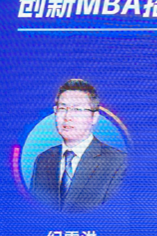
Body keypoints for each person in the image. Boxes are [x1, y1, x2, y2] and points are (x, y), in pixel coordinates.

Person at [31, 79, 127, 211]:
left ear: (94, 117)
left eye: (77, 109)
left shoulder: (118, 162)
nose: (67, 117)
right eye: (62, 108)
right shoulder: (43, 159)